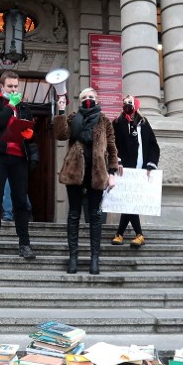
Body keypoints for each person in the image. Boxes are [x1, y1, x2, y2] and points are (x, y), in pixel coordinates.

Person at [55, 87, 118, 275]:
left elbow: (113, 147)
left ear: (97, 100)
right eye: (84, 97)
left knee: (95, 216)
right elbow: (61, 135)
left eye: (91, 97)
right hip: (75, 170)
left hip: (97, 172)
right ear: (80, 100)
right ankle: (73, 258)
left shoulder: (104, 120)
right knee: (74, 214)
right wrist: (60, 111)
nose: (88, 100)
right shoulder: (74, 117)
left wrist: (112, 173)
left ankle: (94, 259)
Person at [0, 71, 39, 259]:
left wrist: (30, 135)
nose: (13, 89)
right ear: (2, 87)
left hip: (19, 158)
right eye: (10, 86)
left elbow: (29, 132)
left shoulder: (24, 108)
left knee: (21, 201)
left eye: (16, 86)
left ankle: (24, 245)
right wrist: (10, 105)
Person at [111, 95, 160, 248]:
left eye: (130, 103)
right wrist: (116, 160)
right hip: (123, 169)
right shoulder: (117, 123)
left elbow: (153, 145)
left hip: (140, 169)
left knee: (130, 202)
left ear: (136, 106)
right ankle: (138, 234)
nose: (127, 106)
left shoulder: (144, 124)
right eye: (124, 103)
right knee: (128, 201)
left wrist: (151, 164)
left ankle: (120, 234)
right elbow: (113, 144)